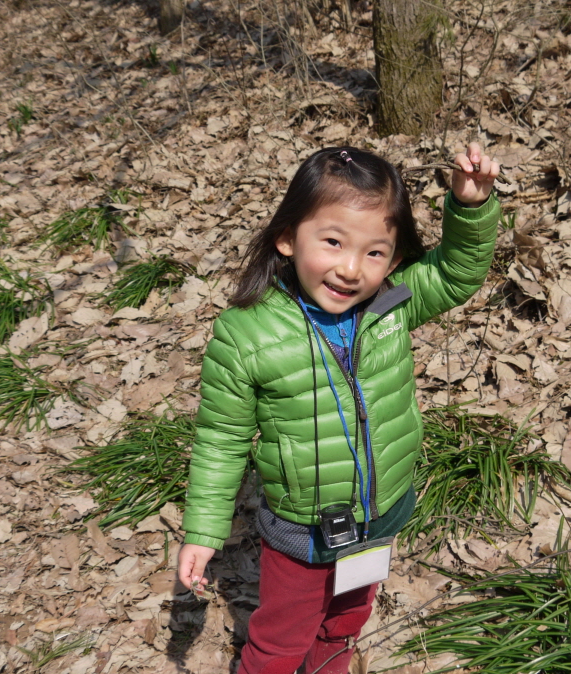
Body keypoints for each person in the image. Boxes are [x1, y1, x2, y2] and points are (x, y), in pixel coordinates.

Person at [177, 143, 501, 674]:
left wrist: (470, 207)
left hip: (380, 515)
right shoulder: (246, 334)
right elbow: (221, 438)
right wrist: (204, 531)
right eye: (332, 242)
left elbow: (454, 274)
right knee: (281, 641)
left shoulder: (390, 302)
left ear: (393, 259)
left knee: (346, 620)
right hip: (303, 532)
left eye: (374, 253)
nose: (351, 269)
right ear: (288, 237)